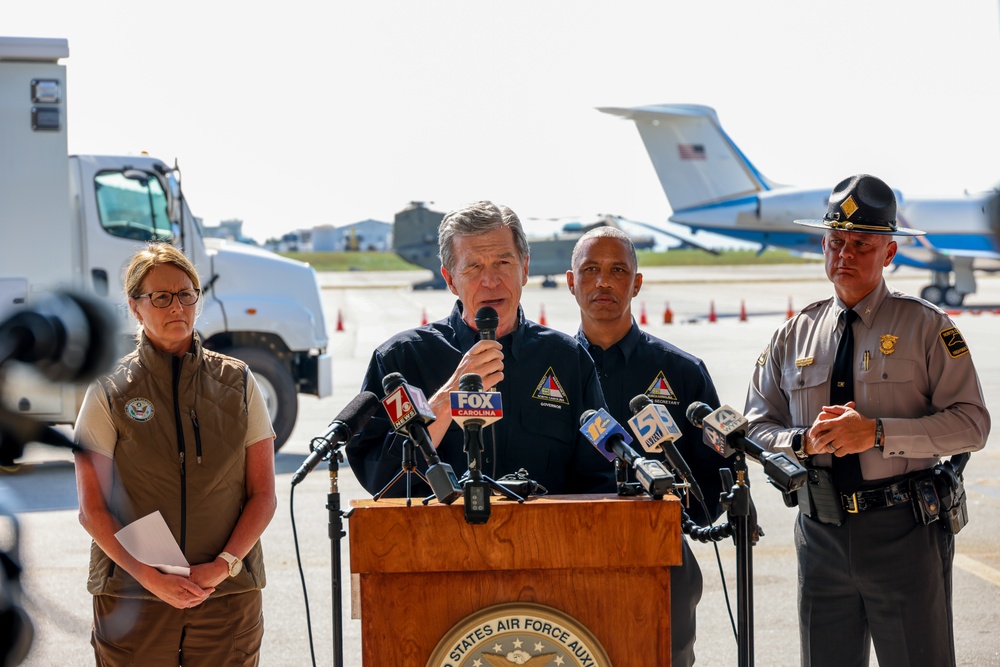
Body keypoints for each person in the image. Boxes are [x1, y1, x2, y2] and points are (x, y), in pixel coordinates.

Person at [744, 174, 990, 667]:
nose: (845, 255)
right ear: (823, 246)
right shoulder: (794, 333)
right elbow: (753, 425)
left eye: (861, 244)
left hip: (903, 533)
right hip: (820, 535)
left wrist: (877, 433)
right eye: (836, 242)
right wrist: (801, 441)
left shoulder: (927, 327)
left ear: (889, 254)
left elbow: (972, 424)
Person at [74, 243, 277, 666]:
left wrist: (222, 566)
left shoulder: (238, 382)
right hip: (133, 598)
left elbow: (263, 495)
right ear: (134, 306)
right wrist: (149, 578)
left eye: (187, 294)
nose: (177, 306)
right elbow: (93, 510)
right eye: (161, 297)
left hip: (225, 597)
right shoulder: (109, 389)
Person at [347, 200, 614, 496]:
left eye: (503, 262)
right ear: (450, 279)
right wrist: (446, 398)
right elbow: (378, 477)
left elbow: (600, 478)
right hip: (435, 539)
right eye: (473, 267)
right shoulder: (401, 361)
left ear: (524, 268)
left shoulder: (568, 361)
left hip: (541, 539)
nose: (490, 281)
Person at [567, 226, 732, 667]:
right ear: (571, 282)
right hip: (566, 552)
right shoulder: (549, 369)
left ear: (636, 284)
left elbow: (717, 469)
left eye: (617, 270)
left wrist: (685, 520)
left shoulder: (681, 371)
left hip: (660, 555)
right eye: (591, 270)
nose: (603, 282)